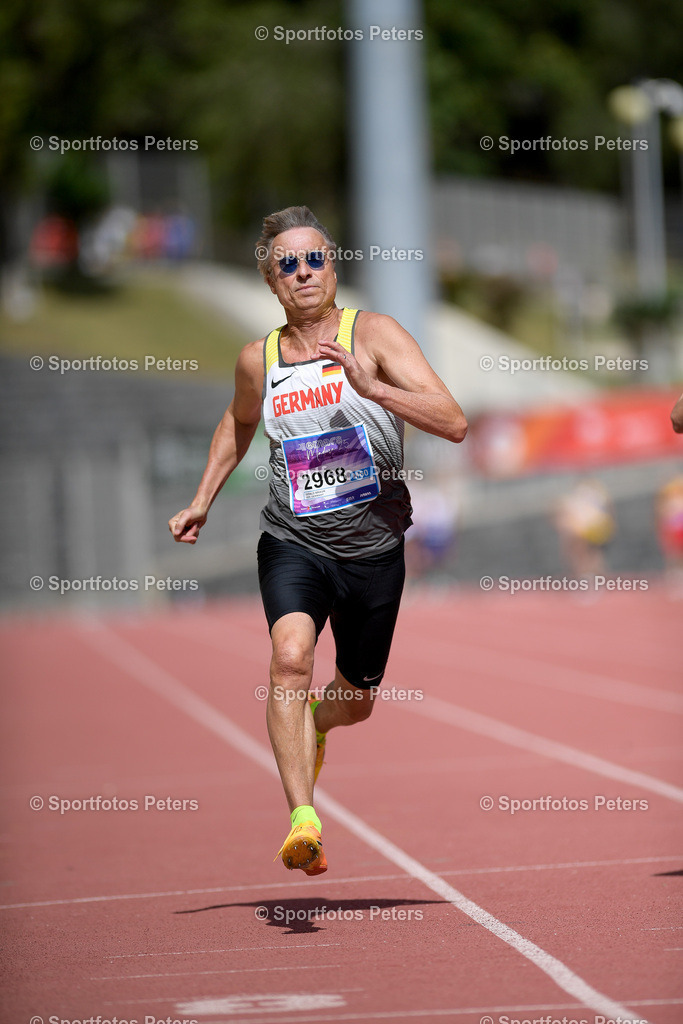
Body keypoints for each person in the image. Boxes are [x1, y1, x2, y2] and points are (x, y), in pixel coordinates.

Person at [169, 206, 467, 876]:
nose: (302, 273)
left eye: (314, 260)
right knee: (288, 657)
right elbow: (237, 423)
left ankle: (318, 725)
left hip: (374, 548)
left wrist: (372, 387)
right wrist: (200, 500)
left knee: (355, 701)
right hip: (292, 540)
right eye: (287, 265)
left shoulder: (377, 334)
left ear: (333, 266)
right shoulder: (259, 359)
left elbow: (452, 422)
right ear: (270, 281)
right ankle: (303, 819)